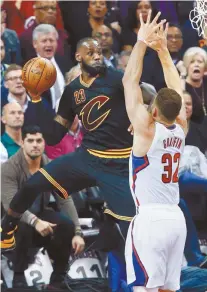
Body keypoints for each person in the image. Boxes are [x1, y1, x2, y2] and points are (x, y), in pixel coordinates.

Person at [0, 36, 137, 291]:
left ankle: (143, 280)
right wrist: (36, 99)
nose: (98, 56)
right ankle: (6, 230)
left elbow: (144, 94)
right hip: (86, 157)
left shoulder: (117, 78)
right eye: (91, 52)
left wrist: (142, 113)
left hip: (118, 163)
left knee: (132, 226)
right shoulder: (73, 90)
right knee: (32, 185)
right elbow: (53, 136)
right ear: (77, 57)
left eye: (100, 52)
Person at [123, 11, 187, 291]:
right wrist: (162, 51)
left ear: (155, 110)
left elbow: (129, 81)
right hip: (176, 219)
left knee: (144, 289)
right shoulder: (181, 127)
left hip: (151, 219)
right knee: (168, 289)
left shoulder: (146, 130)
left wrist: (141, 42)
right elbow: (177, 87)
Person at [1, 125, 85, 288]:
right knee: (21, 225)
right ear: (22, 143)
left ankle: (58, 278)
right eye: (30, 141)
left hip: (40, 214)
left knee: (65, 225)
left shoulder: (52, 167)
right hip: (9, 221)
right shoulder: (8, 168)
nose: (35, 144)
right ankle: (18, 278)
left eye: (39, 140)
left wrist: (78, 232)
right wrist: (35, 221)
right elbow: (10, 205)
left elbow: (65, 200)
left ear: (44, 143)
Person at [32, 24, 72, 109]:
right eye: (44, 41)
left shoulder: (65, 62)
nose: (48, 44)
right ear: (35, 43)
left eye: (51, 40)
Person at [19, 0, 69, 64]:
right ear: (35, 12)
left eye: (53, 8)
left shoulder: (63, 35)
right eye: (45, 8)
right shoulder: (26, 37)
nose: (50, 11)